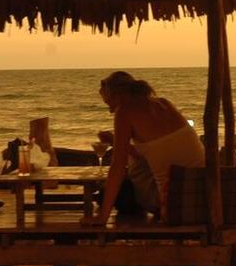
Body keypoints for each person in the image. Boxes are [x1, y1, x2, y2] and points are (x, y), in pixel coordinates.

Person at [85, 71, 205, 224]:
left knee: (127, 178)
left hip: (173, 206)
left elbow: (118, 166)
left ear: (119, 95)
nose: (110, 111)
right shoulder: (164, 104)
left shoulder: (125, 111)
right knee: (138, 163)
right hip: (202, 200)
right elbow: (158, 151)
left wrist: (103, 217)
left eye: (110, 104)